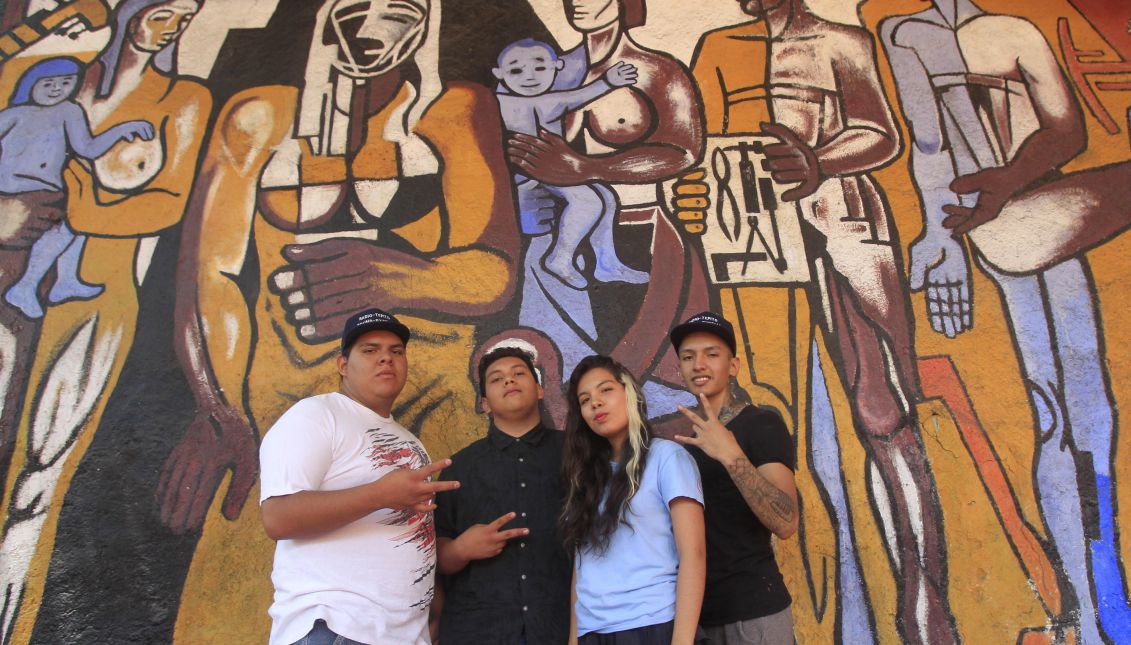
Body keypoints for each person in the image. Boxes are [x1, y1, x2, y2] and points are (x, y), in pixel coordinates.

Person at [671, 0, 958, 641]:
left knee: (884, 414)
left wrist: (821, 160)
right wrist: (692, 198)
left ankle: (924, 608)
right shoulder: (719, 46)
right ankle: (826, 613)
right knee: (770, 413)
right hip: (753, 253)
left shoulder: (842, 40)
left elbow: (882, 133)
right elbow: (705, 158)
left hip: (846, 232)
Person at [880, 3, 1131, 641]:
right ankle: (1088, 607)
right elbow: (928, 143)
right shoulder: (903, 34)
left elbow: (1067, 131)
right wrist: (941, 245)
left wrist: (1007, 181)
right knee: (1059, 415)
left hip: (1040, 208)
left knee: (1085, 413)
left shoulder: (1018, 29)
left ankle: (1102, 608)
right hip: (999, 228)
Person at [0, 0, 209, 638]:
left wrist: (76, 202)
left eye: (187, 15)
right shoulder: (34, 78)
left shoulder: (184, 99)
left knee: (41, 475)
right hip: (6, 286)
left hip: (97, 296)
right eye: (163, 10)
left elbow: (164, 205)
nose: (173, 25)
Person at [506, 0, 708, 420]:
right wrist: (519, 197)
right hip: (549, 244)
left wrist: (586, 168)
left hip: (637, 236)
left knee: (649, 384)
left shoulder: (654, 70)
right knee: (563, 376)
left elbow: (684, 149)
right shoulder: (543, 69)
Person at [259, 307, 459, 645]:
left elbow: (413, 534)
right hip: (337, 626)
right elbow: (278, 518)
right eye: (370, 350)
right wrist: (379, 495)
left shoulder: (410, 440)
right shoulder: (317, 415)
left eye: (396, 351)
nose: (386, 359)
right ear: (342, 365)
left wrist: (432, 614)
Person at [669, 311, 797, 644]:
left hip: (754, 613)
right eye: (688, 357)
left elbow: (785, 522)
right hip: (698, 617)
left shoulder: (761, 424)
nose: (699, 364)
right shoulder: (684, 444)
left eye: (712, 354)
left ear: (734, 366)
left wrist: (730, 454)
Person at [560, 354, 705, 644]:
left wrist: (682, 641)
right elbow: (582, 567)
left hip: (652, 624)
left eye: (606, 390)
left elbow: (694, 554)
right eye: (585, 400)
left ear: (629, 392)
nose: (595, 403)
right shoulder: (585, 478)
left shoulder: (667, 458)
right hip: (593, 631)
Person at [434, 344, 571, 644]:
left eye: (519, 373)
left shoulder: (576, 454)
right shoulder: (458, 468)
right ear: (484, 403)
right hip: (478, 630)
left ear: (538, 390)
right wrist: (462, 549)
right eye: (496, 379)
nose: (509, 380)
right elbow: (435, 557)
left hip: (561, 627)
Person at [1, 56, 154, 319]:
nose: (57, 89)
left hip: (50, 191)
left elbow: (87, 148)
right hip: (13, 192)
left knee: (80, 222)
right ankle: (26, 287)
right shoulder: (14, 114)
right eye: (48, 83)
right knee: (68, 226)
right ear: (31, 84)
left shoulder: (68, 111)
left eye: (66, 82)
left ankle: (65, 282)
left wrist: (125, 129)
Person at [494, 38, 646, 290]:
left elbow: (579, 95)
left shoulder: (552, 100)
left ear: (557, 67)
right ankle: (560, 259)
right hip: (525, 176)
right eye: (516, 70)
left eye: (540, 68)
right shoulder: (500, 102)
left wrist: (609, 82)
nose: (529, 76)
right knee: (590, 200)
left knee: (606, 197)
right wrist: (608, 82)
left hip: (550, 172)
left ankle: (607, 264)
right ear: (499, 74)